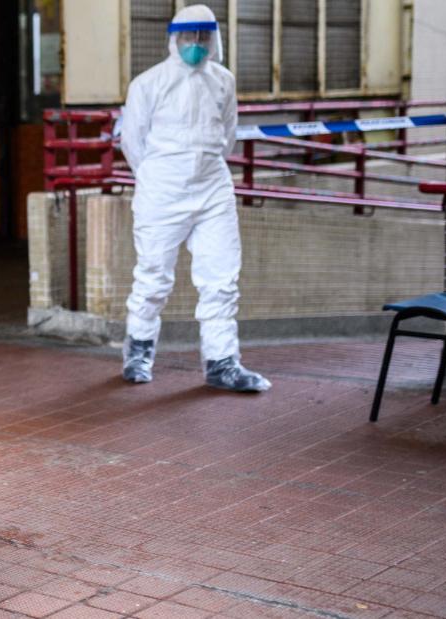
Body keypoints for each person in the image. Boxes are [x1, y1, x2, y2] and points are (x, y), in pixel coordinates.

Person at [119, 4, 270, 392]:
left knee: (221, 280)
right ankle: (139, 352)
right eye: (190, 36)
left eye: (204, 37)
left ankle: (222, 363)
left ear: (214, 39)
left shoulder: (223, 81)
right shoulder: (148, 84)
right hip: (161, 192)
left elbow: (229, 135)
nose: (197, 44)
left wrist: (198, 168)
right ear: (175, 38)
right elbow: (132, 142)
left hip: (213, 188)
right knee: (153, 277)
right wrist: (157, 177)